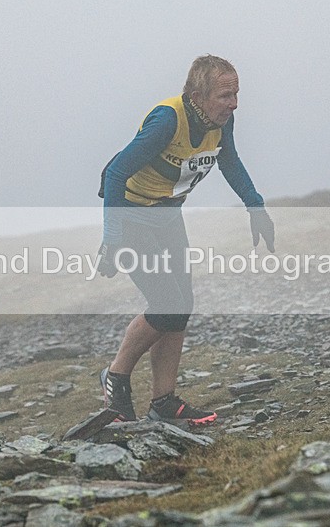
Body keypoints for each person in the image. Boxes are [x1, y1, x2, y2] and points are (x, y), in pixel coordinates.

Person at [96, 54, 274, 425]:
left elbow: (230, 161)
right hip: (130, 215)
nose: (234, 103)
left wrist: (255, 207)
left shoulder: (221, 122)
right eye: (225, 95)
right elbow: (115, 173)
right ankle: (116, 378)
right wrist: (112, 239)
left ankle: (163, 402)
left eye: (237, 94)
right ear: (197, 94)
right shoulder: (167, 120)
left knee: (181, 306)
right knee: (166, 302)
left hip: (167, 215)